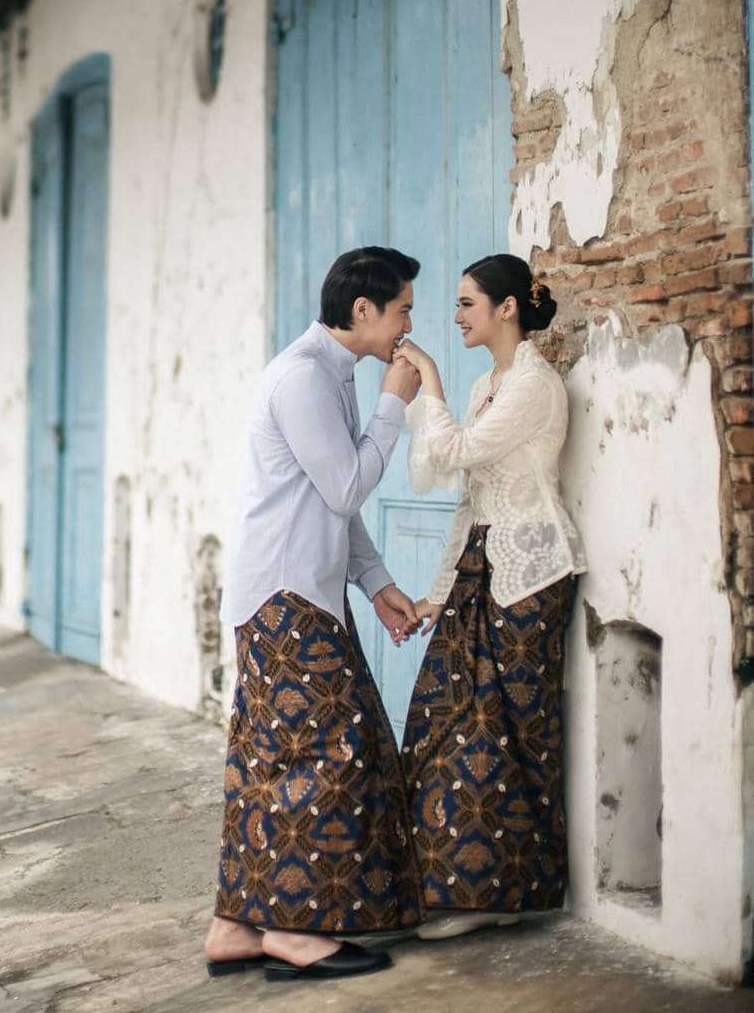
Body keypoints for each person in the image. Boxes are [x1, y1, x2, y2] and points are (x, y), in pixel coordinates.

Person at [205, 247, 427, 982]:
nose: (407, 324)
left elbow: (332, 500)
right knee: (330, 754)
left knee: (268, 757)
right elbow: (345, 486)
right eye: (402, 309)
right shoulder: (303, 378)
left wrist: (377, 582)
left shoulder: (327, 374)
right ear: (362, 311)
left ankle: (235, 926)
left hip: (297, 593)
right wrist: (397, 401)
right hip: (285, 598)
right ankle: (296, 933)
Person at [392, 253, 586, 940]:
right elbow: (467, 501)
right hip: (480, 568)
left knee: (511, 737)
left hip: (533, 573)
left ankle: (510, 893)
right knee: (448, 722)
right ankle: (453, 887)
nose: (455, 316)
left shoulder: (534, 383)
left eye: (467, 303)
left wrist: (431, 383)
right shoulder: (488, 385)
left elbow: (463, 451)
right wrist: (435, 593)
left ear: (507, 308)